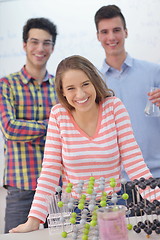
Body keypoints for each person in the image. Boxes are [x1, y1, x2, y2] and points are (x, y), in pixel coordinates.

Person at [9, 55, 160, 233]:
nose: (80, 94)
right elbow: (50, 171)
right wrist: (34, 220)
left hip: (113, 206)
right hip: (75, 211)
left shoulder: (113, 108)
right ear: (62, 92)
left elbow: (135, 164)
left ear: (94, 82)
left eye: (85, 84)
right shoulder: (59, 115)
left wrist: (157, 201)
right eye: (71, 88)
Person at [94, 5, 160, 198]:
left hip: (156, 173)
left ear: (126, 32)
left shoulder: (154, 72)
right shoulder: (93, 83)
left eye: (116, 30)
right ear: (98, 36)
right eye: (104, 32)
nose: (111, 37)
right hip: (117, 184)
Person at [0, 17, 58, 233]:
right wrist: (50, 126)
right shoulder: (6, 84)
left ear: (53, 47)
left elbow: (69, 129)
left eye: (47, 43)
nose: (40, 48)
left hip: (56, 188)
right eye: (34, 42)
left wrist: (36, 128)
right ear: (25, 45)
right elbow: (10, 129)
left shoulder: (61, 86)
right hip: (21, 186)